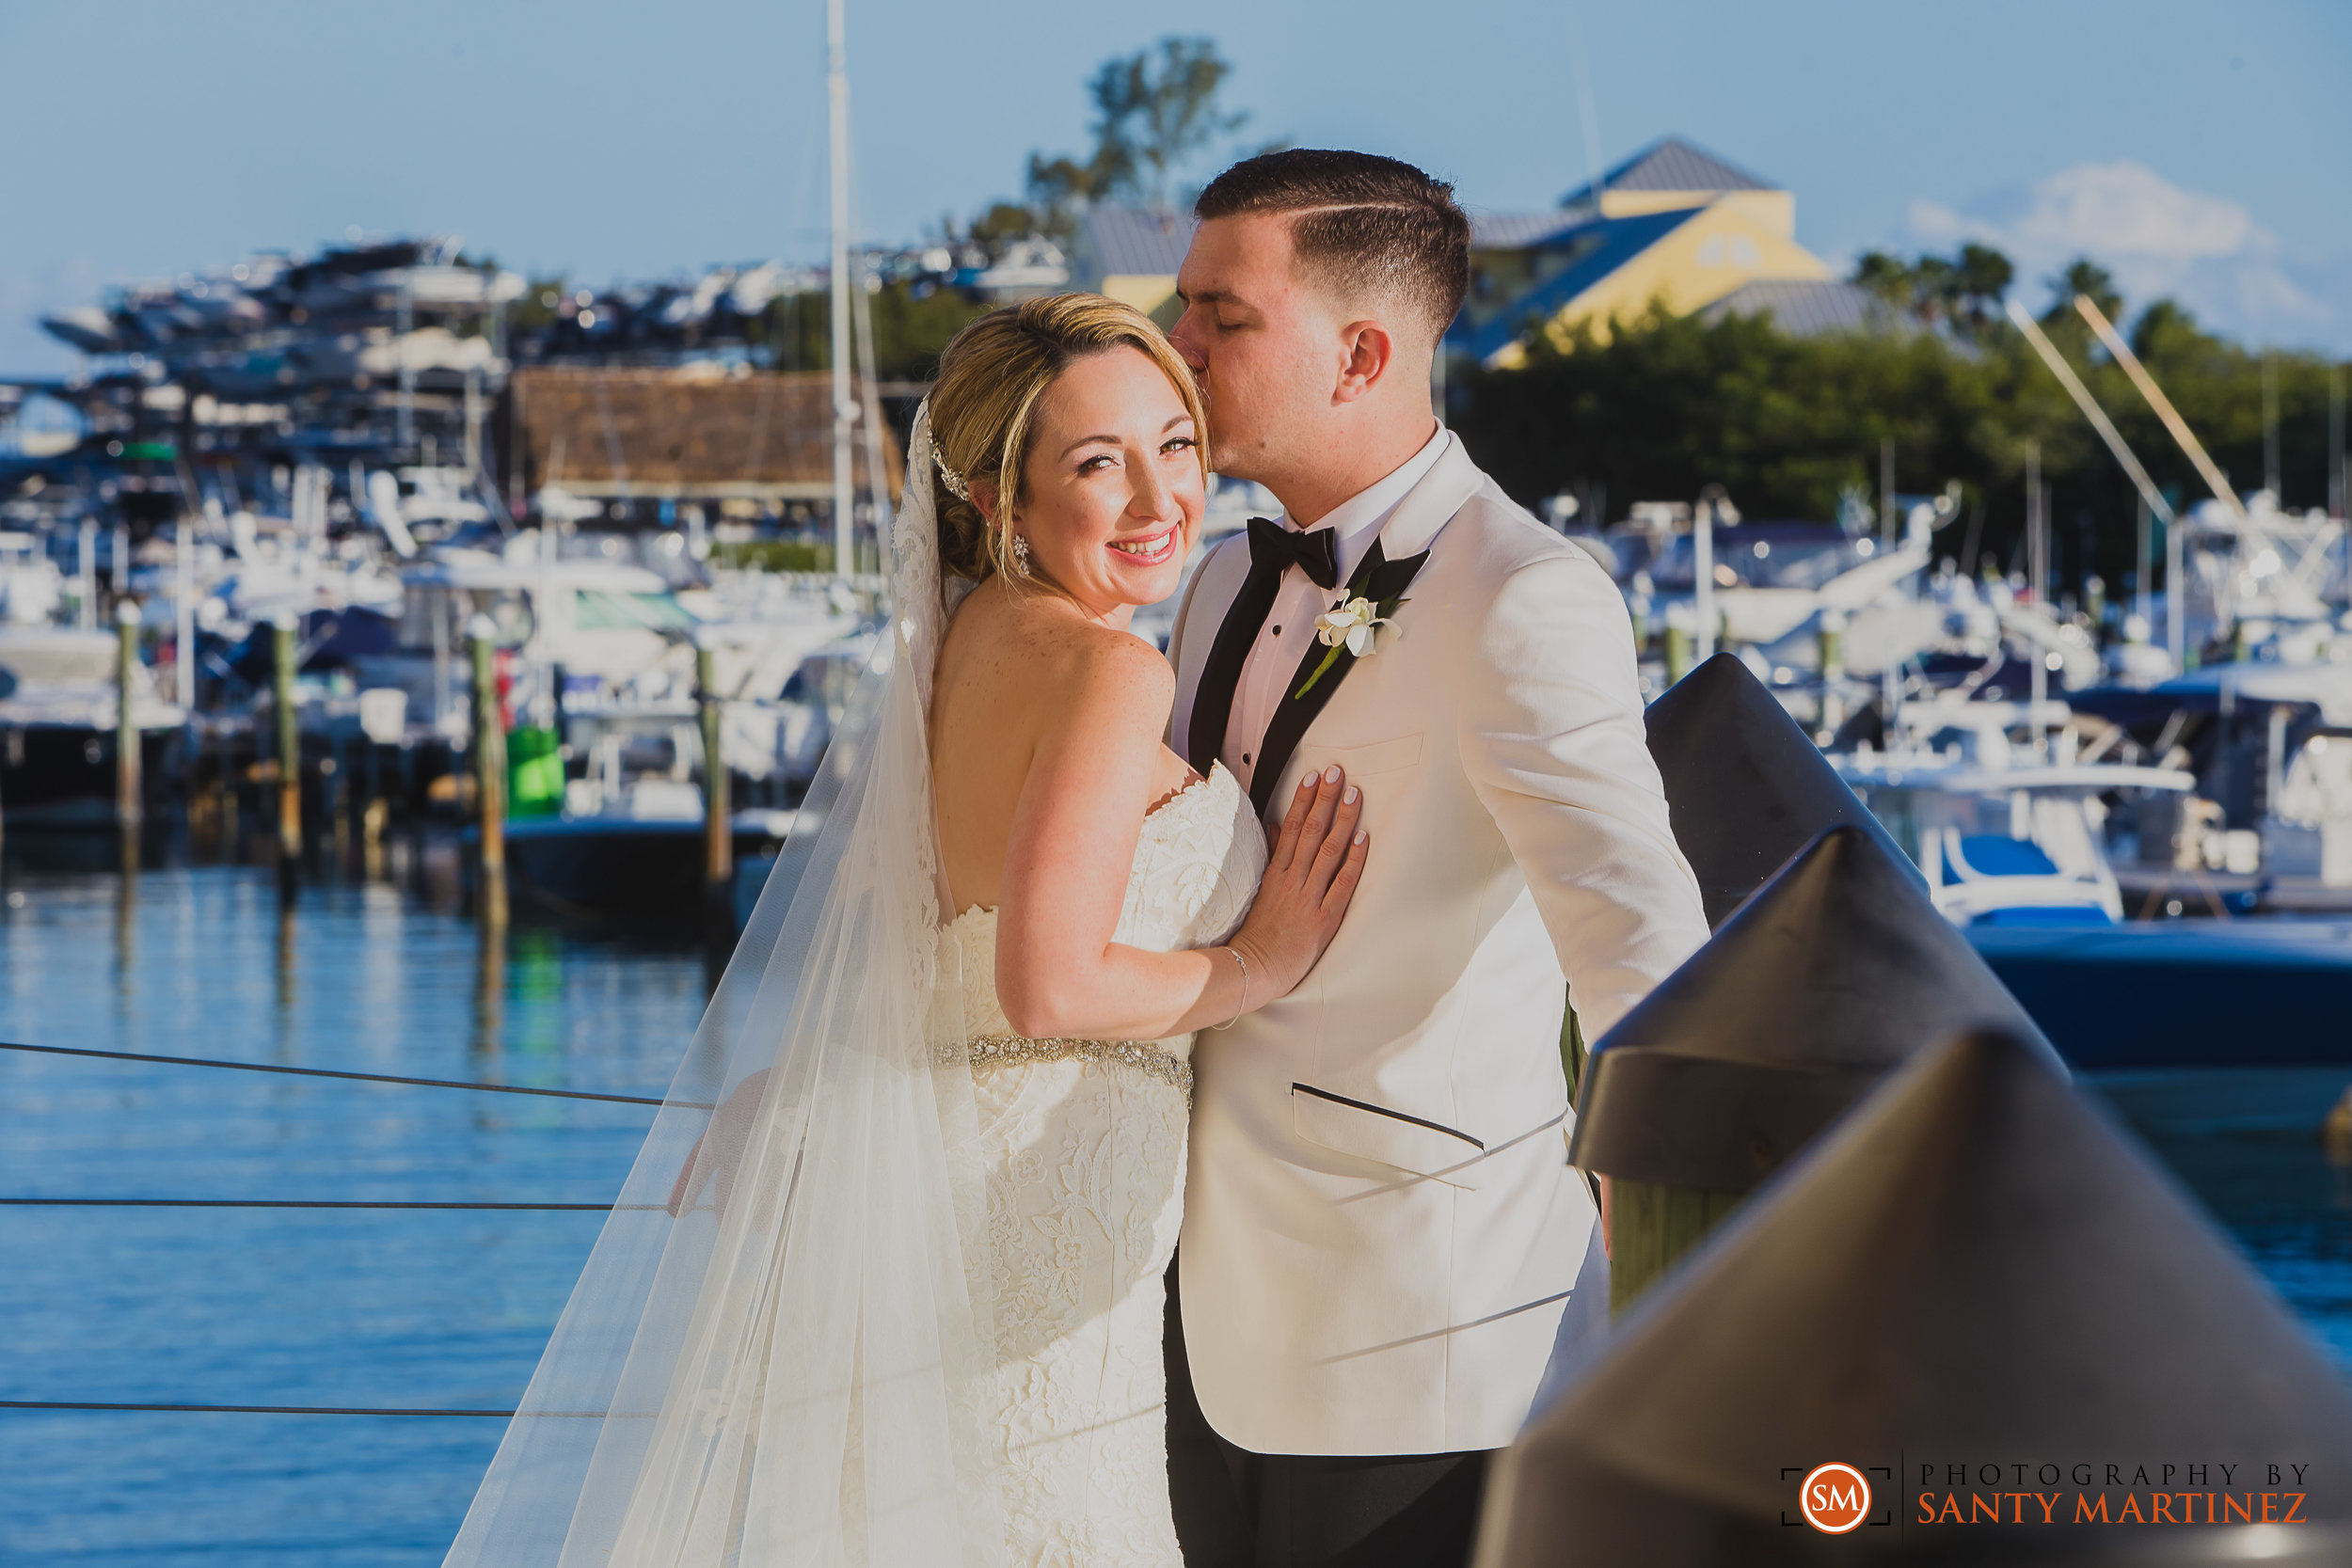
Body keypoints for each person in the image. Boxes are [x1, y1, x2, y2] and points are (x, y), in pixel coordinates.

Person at [441, 294, 1370, 1568]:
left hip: (938, 1207)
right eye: (1101, 464)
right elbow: (1042, 982)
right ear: (999, 498)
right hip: (1038, 1234)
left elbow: (932, 943)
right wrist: (1255, 961)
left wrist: (819, 1071)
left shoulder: (958, 652)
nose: (1162, 498)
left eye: (1176, 445)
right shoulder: (1112, 674)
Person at [1158, 149, 1710, 1567]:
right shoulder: (1221, 579)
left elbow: (1641, 949)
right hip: (1176, 1319)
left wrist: (1690, 1272)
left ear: (1360, 352)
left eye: (1223, 315)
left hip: (1431, 1344)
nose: (1177, 347)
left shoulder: (1522, 596)